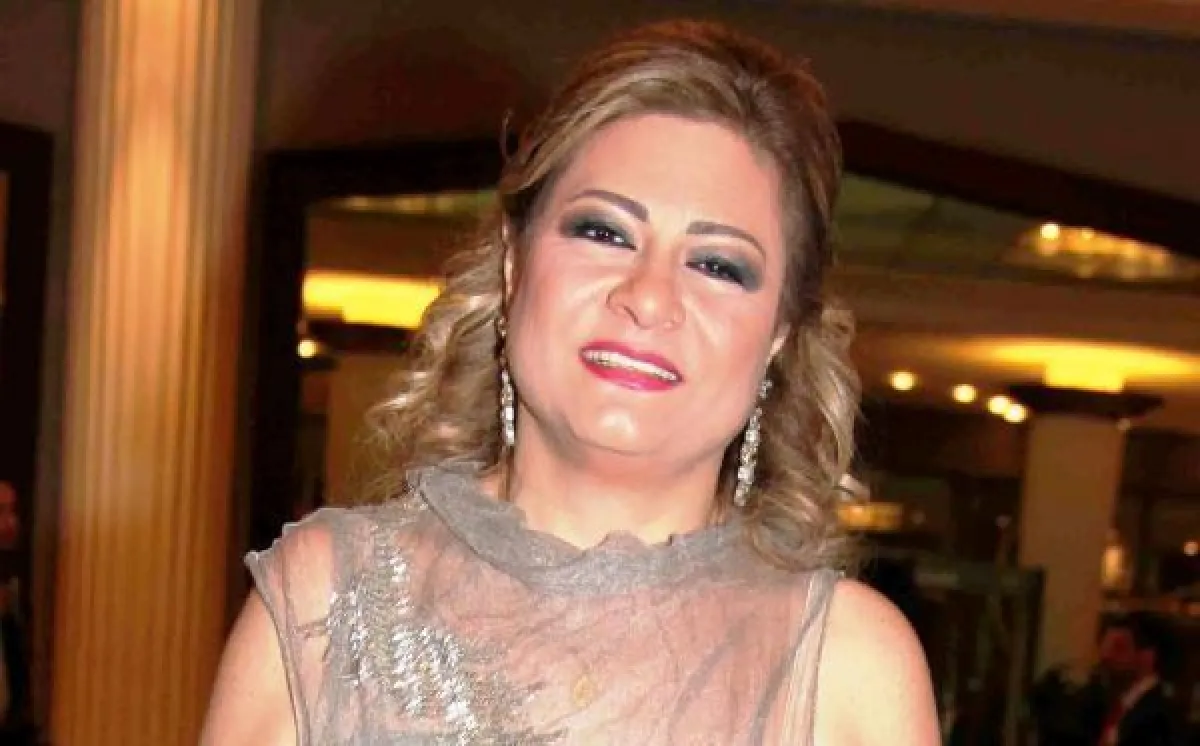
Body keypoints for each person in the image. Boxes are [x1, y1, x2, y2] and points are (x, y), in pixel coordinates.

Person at [202, 18, 938, 745]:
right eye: (604, 232)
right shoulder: (322, 602)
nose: (649, 296)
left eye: (718, 265)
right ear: (514, 263)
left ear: (778, 335)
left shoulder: (850, 669)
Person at [1090, 613, 1186, 746]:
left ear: (1147, 656)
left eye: (1118, 648)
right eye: (1104, 646)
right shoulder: (1104, 703)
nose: (1105, 656)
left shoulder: (1161, 716)